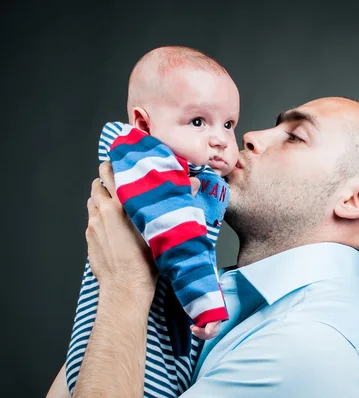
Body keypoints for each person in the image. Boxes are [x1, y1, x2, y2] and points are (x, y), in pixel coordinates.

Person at [47, 96, 359, 398]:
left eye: (295, 137)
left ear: (356, 199)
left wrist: (124, 285)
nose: (250, 136)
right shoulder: (217, 297)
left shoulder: (315, 344)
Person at [63, 46, 240, 397]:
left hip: (155, 340)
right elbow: (177, 237)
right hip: (134, 352)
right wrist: (205, 303)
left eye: (229, 124)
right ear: (144, 124)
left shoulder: (182, 171)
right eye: (198, 121)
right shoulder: (146, 160)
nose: (220, 138)